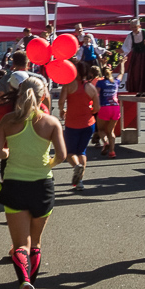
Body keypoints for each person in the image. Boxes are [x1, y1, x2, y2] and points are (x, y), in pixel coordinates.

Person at [0, 76, 66, 289]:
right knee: (36, 244)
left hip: (15, 184)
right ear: (43, 96)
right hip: (43, 185)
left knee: (20, 245)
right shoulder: (51, 122)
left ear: (18, 94)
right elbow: (62, 155)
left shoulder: (8, 121)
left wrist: (10, 152)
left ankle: (24, 283)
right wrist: (46, 164)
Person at [58, 59, 99, 191]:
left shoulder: (68, 85)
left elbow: (61, 102)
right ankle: (80, 181)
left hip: (72, 123)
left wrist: (62, 110)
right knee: (82, 151)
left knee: (70, 153)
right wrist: (89, 111)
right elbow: (97, 108)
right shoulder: (91, 88)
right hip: (88, 123)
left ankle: (76, 167)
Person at [122, 19, 145, 96]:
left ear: (139, 26)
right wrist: (122, 52)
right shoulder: (130, 35)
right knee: (136, 73)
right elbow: (126, 48)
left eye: (135, 27)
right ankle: (139, 90)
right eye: (131, 27)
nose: (133, 29)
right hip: (136, 56)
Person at [94, 65, 122, 158]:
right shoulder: (116, 81)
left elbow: (96, 94)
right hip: (115, 107)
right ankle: (112, 152)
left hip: (104, 107)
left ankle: (105, 142)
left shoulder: (100, 83)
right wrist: (122, 63)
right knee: (111, 131)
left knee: (101, 129)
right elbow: (121, 73)